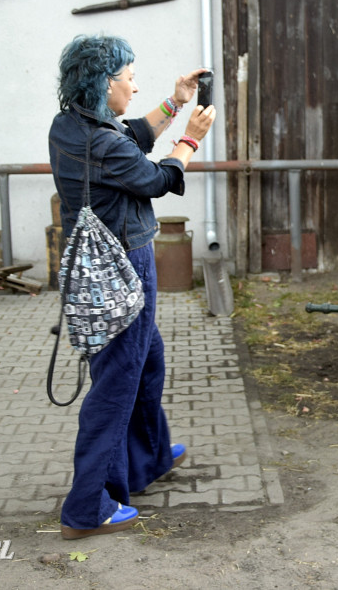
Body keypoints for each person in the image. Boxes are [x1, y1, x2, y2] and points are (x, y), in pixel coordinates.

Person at [48, 34, 216, 540]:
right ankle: (88, 506)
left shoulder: (73, 125)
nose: (135, 87)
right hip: (123, 266)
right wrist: (188, 138)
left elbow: (134, 137)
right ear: (104, 83)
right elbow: (154, 178)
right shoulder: (102, 142)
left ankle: (147, 459)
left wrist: (175, 101)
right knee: (118, 381)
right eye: (129, 79)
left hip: (109, 263)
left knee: (147, 361)